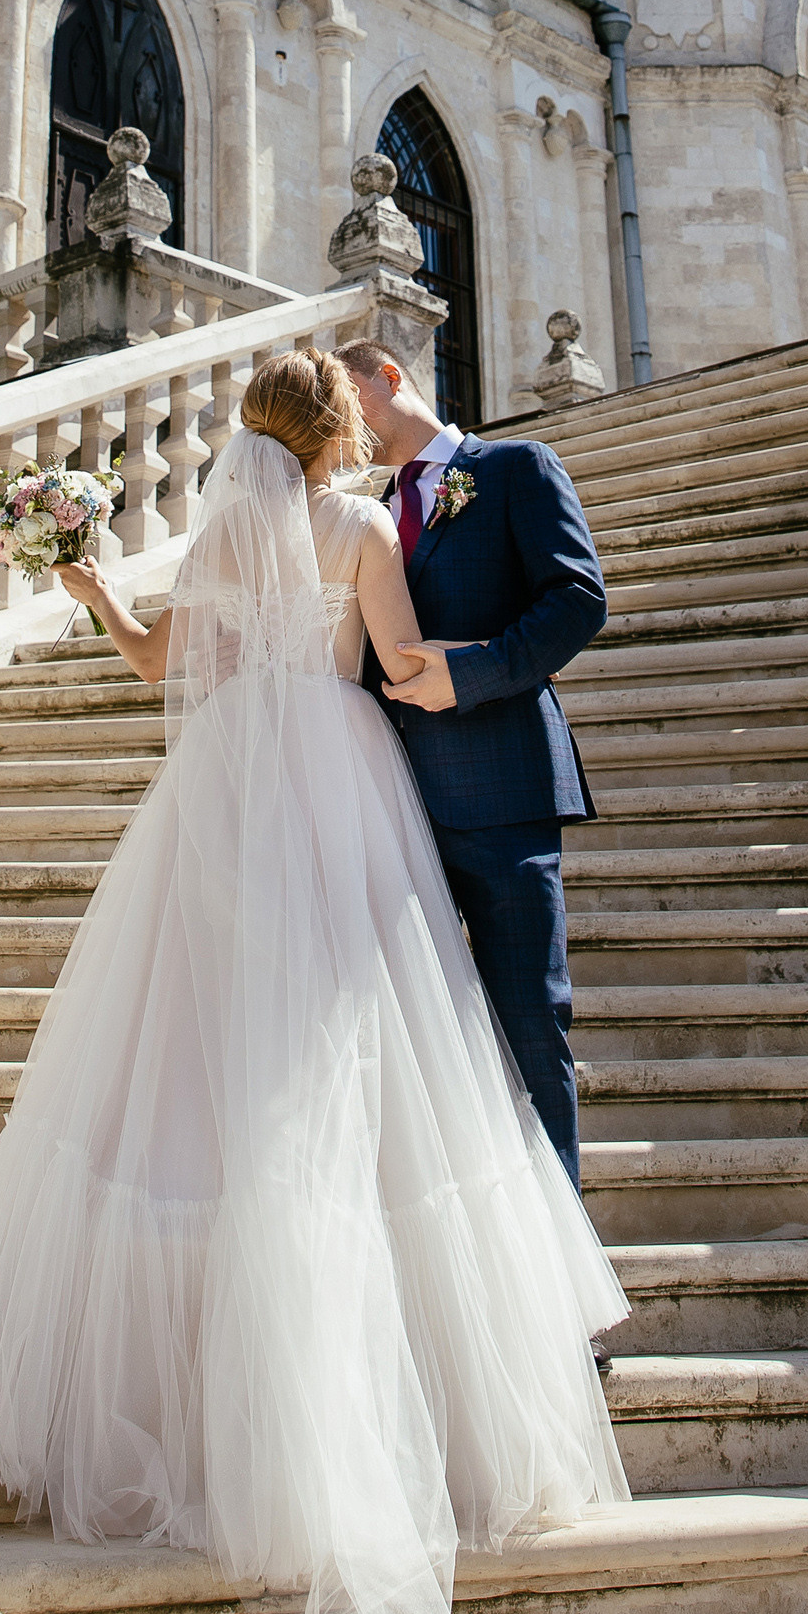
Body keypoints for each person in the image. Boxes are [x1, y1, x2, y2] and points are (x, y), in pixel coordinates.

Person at [0, 348, 627, 1614]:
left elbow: (148, 665)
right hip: (344, 780)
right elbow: (403, 661)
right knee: (356, 1044)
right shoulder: (358, 526)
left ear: (247, 441)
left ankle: (213, 1382)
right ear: (338, 430)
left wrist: (85, 585)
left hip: (227, 791)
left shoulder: (217, 539)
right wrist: (420, 675)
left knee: (204, 1054)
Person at [336, 337, 606, 1192]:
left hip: (502, 792)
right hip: (397, 799)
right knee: (406, 1038)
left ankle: (558, 1268)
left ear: (392, 377)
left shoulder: (517, 468)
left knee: (530, 1021)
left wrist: (472, 669)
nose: (350, 428)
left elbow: (577, 599)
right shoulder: (366, 513)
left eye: (357, 403)